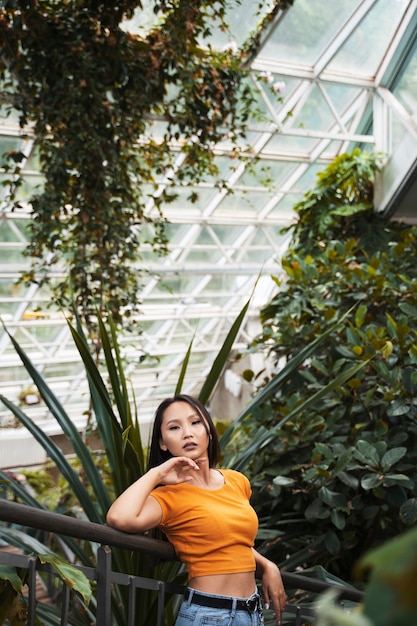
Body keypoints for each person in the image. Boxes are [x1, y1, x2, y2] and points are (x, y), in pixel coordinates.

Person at [106, 394, 286, 625]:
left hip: (251, 612)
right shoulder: (167, 496)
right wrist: (157, 474)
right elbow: (118, 517)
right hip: (208, 615)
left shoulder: (237, 481)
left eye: (195, 422)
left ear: (209, 432)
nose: (187, 433)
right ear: (162, 442)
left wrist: (267, 565)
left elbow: (232, 542)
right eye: (174, 427)